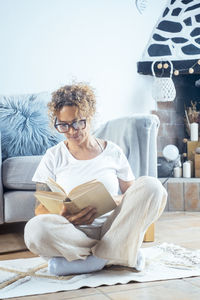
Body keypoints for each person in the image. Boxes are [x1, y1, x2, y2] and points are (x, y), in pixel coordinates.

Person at [24, 82, 167, 276]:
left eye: (77, 123)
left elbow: (134, 195)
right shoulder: (53, 156)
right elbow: (40, 208)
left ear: (89, 117)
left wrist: (112, 200)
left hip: (113, 228)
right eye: (63, 125)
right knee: (34, 229)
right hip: (73, 232)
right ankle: (116, 254)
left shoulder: (113, 152)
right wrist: (62, 216)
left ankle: (94, 261)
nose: (72, 131)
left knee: (153, 186)